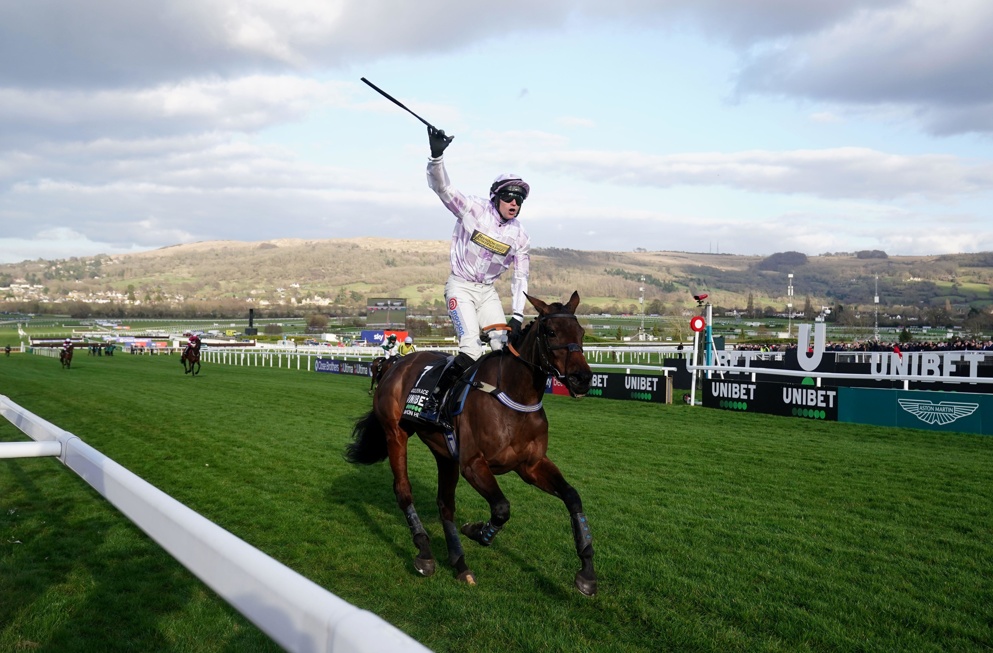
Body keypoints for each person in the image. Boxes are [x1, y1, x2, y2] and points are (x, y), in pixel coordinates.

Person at [421, 125, 531, 422]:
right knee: (471, 349)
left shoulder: (519, 236)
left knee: (500, 347)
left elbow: (521, 277)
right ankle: (435, 402)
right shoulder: (472, 209)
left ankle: (497, 410)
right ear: (496, 196)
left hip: (487, 293)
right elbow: (442, 189)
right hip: (460, 288)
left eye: (520, 200)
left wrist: (518, 316)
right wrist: (436, 156)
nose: (514, 204)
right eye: (509, 197)